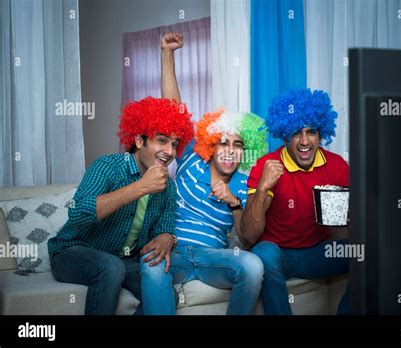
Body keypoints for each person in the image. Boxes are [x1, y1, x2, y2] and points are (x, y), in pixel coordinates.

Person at [47, 33, 194, 315]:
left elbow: (165, 226)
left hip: (121, 258)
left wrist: (167, 238)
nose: (170, 150)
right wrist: (141, 187)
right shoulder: (107, 166)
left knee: (165, 295)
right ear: (139, 141)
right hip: (72, 251)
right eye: (161, 140)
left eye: (174, 143)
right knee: (110, 267)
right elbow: (80, 212)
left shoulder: (168, 185)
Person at [140, 35, 269, 315]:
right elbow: (173, 109)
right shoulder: (191, 161)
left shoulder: (245, 183)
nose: (229, 151)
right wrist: (167, 54)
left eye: (237, 145)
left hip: (214, 258)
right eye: (223, 142)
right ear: (211, 145)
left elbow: (248, 239)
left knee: (253, 264)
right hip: (173, 251)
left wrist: (233, 201)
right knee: (149, 264)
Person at [241, 88, 350, 315]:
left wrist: (352, 218)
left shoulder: (337, 165)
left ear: (321, 135)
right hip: (280, 257)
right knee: (264, 253)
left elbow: (346, 228)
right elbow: (249, 236)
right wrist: (263, 187)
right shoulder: (266, 165)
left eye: (311, 132)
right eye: (296, 133)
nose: (304, 141)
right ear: (285, 136)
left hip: (319, 253)